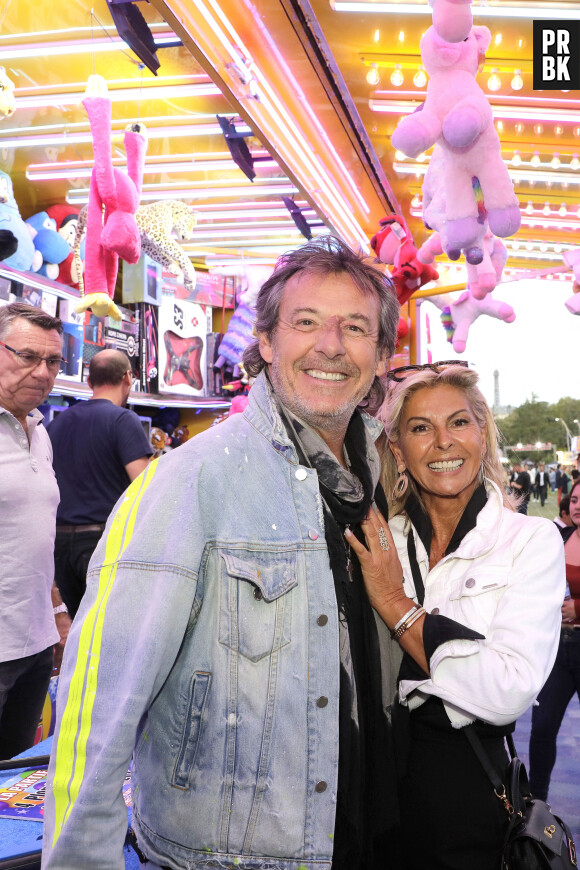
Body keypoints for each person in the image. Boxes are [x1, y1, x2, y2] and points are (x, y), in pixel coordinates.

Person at [42, 236, 402, 870]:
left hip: (361, 827)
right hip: (232, 851)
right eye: (306, 322)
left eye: (354, 327)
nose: (330, 346)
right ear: (265, 342)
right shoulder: (192, 478)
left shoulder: (377, 471)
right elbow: (99, 698)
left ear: (380, 354)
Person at [346, 362, 564, 870]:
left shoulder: (527, 542)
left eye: (459, 423)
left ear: (481, 433)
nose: (443, 442)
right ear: (397, 448)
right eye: (421, 428)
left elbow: (509, 688)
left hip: (469, 799)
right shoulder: (385, 539)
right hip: (372, 791)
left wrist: (396, 606)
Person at [0, 302, 71, 758]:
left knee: (10, 780)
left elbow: (34, 536)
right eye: (27, 356)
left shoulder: (40, 431)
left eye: (52, 361)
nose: (42, 372)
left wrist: (59, 611)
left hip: (34, 642)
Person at [47, 349, 153, 618]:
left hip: (58, 546)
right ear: (128, 377)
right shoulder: (123, 420)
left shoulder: (58, 423)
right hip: (101, 543)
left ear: (90, 381)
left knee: (77, 632)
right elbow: (145, 488)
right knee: (108, 631)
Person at [528, 478, 580, 802]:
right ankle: (536, 804)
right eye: (574, 499)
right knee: (542, 728)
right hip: (559, 649)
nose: (577, 505)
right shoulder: (559, 537)